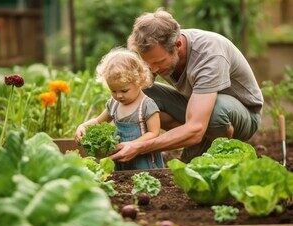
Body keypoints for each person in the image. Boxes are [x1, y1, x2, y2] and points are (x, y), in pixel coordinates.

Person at [109, 9, 264, 163]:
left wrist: (140, 147)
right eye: (147, 62)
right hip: (197, 108)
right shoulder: (155, 51)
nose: (152, 69)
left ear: (177, 45)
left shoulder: (210, 54)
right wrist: (94, 124)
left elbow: (196, 126)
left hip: (243, 115)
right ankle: (198, 137)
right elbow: (128, 94)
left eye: (158, 62)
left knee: (214, 114)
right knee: (142, 92)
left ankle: (222, 153)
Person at [74, 47, 164, 170]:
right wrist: (83, 126)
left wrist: (132, 145)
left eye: (124, 90)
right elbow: (98, 121)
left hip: (143, 160)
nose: (119, 95)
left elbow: (154, 133)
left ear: (139, 81)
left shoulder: (147, 105)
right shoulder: (114, 104)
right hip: (120, 158)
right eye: (113, 91)